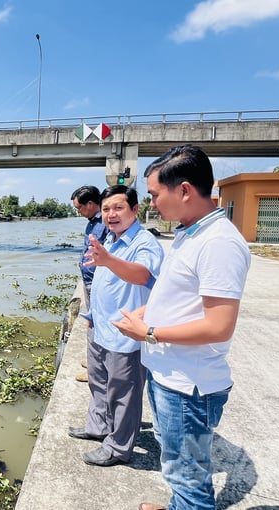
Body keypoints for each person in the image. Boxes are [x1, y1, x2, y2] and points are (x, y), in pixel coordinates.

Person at [113, 145, 251, 510]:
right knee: (175, 462)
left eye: (156, 195)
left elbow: (219, 325)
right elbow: (175, 295)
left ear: (185, 190)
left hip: (189, 386)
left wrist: (150, 333)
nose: (152, 204)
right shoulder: (190, 233)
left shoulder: (218, 243)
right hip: (168, 374)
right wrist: (145, 313)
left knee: (187, 473)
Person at [68, 185, 164, 467]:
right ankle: (98, 426)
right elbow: (103, 282)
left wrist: (108, 260)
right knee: (99, 383)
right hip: (100, 326)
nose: (111, 214)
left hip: (125, 333)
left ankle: (118, 447)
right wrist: (91, 317)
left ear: (135, 210)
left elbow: (143, 274)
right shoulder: (112, 238)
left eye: (118, 208)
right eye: (107, 208)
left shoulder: (143, 243)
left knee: (124, 392)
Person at [66, 186, 108, 381]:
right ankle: (94, 361)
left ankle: (96, 370)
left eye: (79, 208)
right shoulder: (92, 222)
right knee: (92, 322)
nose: (78, 212)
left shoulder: (105, 222)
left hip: (98, 281)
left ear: (91, 204)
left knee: (97, 324)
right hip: (89, 279)